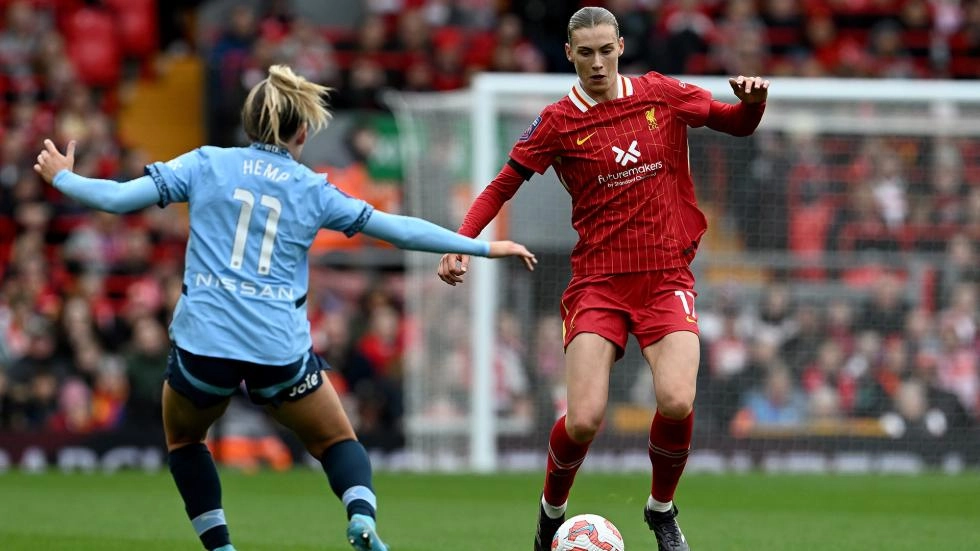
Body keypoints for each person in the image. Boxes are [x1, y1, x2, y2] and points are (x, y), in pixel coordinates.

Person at [34, 64, 537, 551]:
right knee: (337, 441)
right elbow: (399, 229)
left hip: (206, 342)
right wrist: (483, 247)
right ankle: (360, 515)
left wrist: (63, 179)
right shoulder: (313, 189)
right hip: (278, 349)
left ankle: (222, 547)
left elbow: (119, 200)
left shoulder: (206, 162)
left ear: (250, 123)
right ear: (300, 132)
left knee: (185, 440)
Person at [437, 7, 768, 551]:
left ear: (619, 45)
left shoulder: (661, 93)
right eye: (584, 52)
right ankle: (551, 513)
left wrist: (753, 103)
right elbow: (501, 185)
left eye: (605, 49)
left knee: (678, 401)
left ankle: (661, 511)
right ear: (569, 54)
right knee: (585, 419)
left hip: (665, 276)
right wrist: (463, 243)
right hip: (600, 283)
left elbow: (735, 121)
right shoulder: (557, 122)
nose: (596, 62)